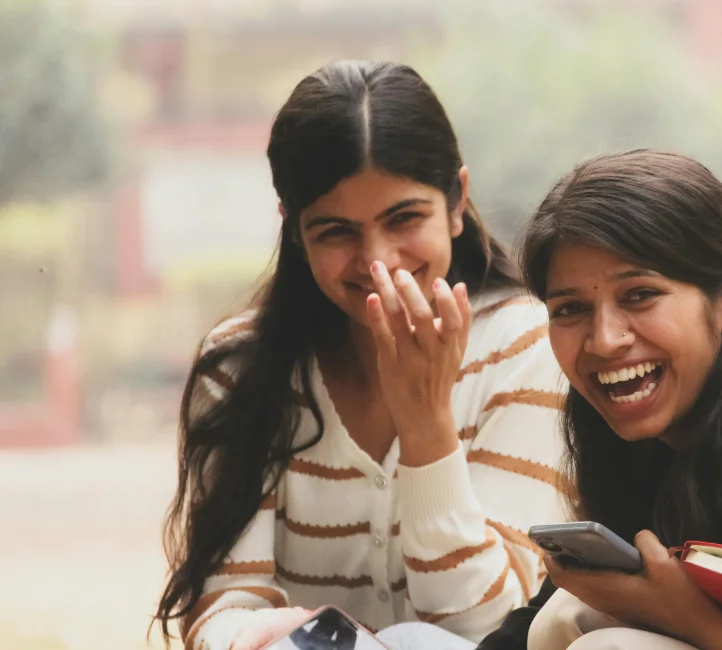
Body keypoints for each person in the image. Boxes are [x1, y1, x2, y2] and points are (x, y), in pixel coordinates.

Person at [154, 60, 568, 650]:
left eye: (405, 218)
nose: (379, 261)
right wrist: (288, 637)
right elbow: (221, 610)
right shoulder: (238, 370)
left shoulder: (526, 345)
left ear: (456, 202)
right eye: (336, 232)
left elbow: (486, 625)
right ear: (295, 233)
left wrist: (427, 428)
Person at [477, 149, 722, 650]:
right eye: (571, 309)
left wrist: (690, 617)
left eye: (639, 295)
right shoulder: (629, 428)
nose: (604, 340)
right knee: (564, 616)